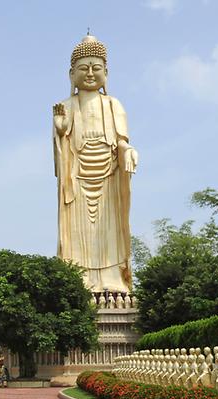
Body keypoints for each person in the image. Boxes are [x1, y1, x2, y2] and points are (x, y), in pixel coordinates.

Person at [53, 34, 138, 293]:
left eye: (96, 68)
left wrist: (128, 150)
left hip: (109, 177)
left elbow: (121, 140)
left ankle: (112, 278)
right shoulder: (65, 106)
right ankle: (79, 278)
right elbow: (62, 142)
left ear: (106, 72)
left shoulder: (113, 104)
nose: (90, 73)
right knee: (78, 232)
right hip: (77, 178)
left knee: (109, 231)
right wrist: (60, 128)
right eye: (83, 68)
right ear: (71, 74)